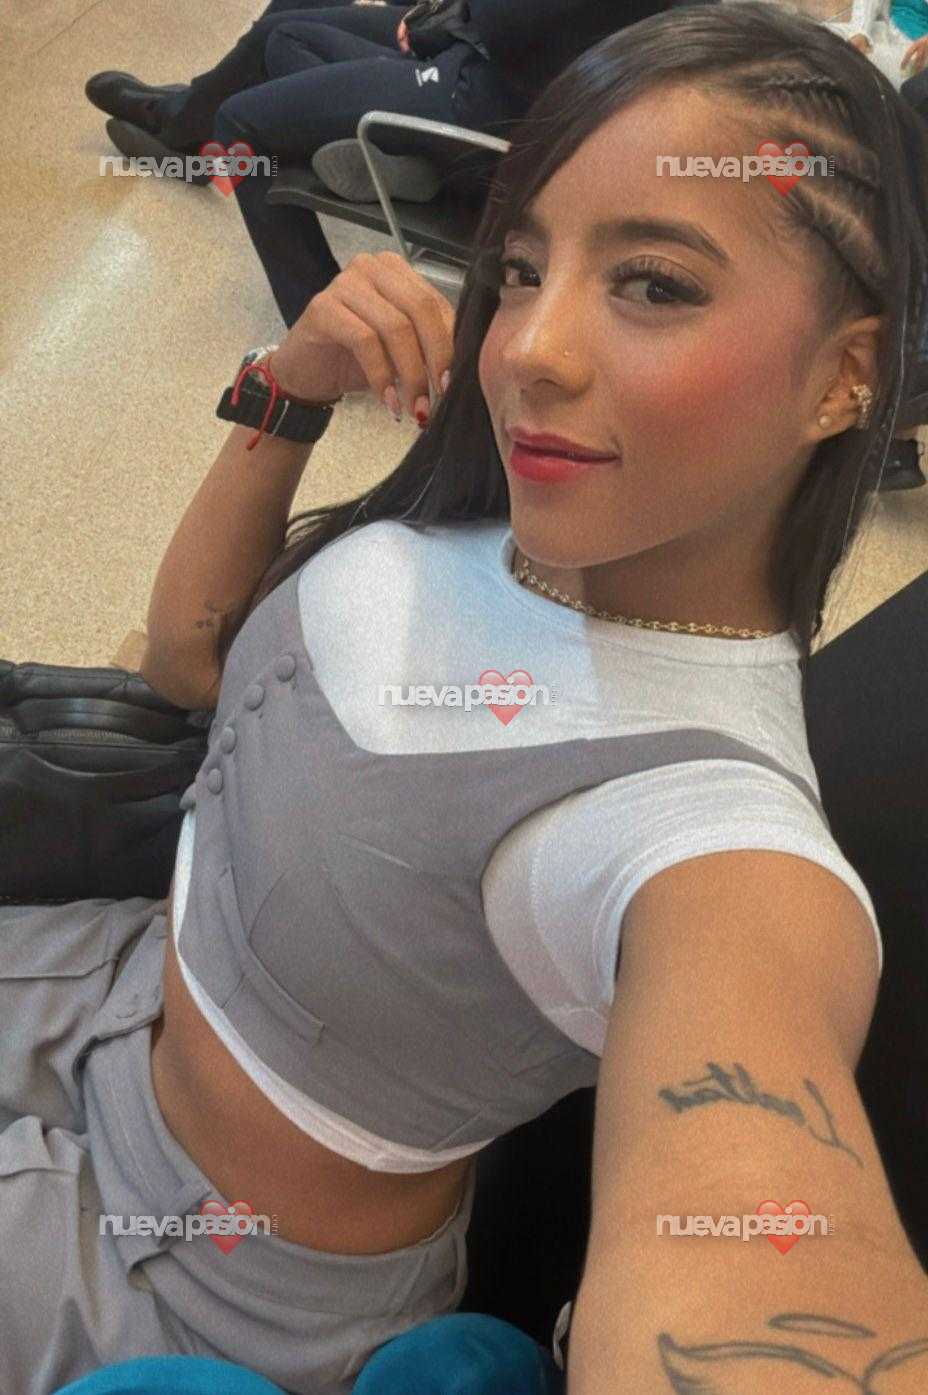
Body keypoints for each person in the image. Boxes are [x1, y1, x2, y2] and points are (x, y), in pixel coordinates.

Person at [6, 3, 928, 1393]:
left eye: (653, 284)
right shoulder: (502, 510)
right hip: (97, 986)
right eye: (522, 266)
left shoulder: (710, 840)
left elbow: (759, 1246)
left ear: (848, 374)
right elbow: (188, 666)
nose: (528, 348)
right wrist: (288, 390)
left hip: (195, 1278)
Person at [85, 1, 674, 326]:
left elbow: (511, 25)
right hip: (500, 68)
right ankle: (393, 161)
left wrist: (439, 24)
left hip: (487, 97)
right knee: (282, 37)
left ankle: (325, 322)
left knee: (240, 124)